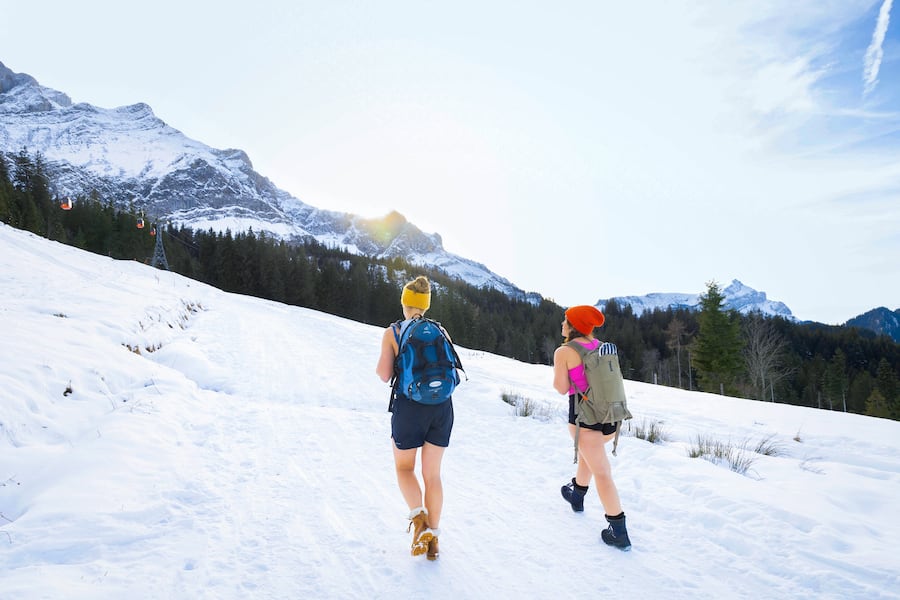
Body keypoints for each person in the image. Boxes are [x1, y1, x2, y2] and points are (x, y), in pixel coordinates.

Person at [375, 275, 453, 561]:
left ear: (405, 302)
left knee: (404, 469)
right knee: (432, 475)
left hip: (409, 408)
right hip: (442, 409)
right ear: (426, 305)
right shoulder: (440, 330)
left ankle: (419, 521)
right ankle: (433, 541)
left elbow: (384, 374)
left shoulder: (393, 332)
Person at [552, 305, 632, 550]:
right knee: (591, 456)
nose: (562, 324)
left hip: (584, 419)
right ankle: (577, 494)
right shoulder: (601, 347)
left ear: (574, 326)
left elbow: (561, 387)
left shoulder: (564, 351)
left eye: (565, 320)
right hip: (610, 418)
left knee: (602, 472)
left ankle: (618, 530)